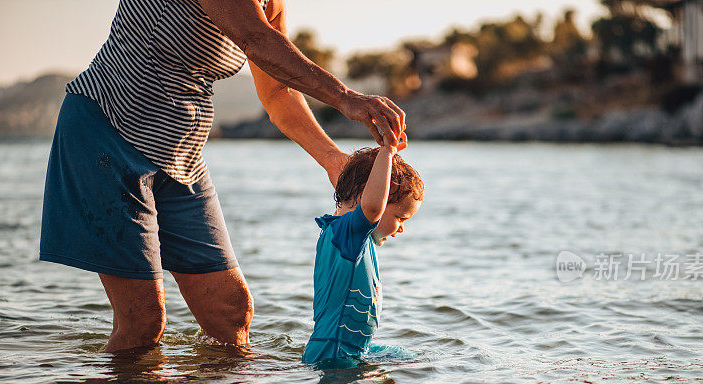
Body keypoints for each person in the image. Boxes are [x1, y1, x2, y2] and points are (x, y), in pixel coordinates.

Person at [38, 0, 406, 353]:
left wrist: (331, 159)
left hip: (181, 155)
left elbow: (277, 91)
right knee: (142, 323)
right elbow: (256, 41)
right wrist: (344, 97)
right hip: (109, 131)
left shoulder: (271, 3)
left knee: (230, 314)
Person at [303, 142, 424, 364]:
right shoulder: (347, 233)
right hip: (334, 353)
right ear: (364, 199)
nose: (401, 228)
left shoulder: (354, 239)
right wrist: (387, 151)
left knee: (416, 361)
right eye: (400, 218)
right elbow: (372, 209)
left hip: (352, 348)